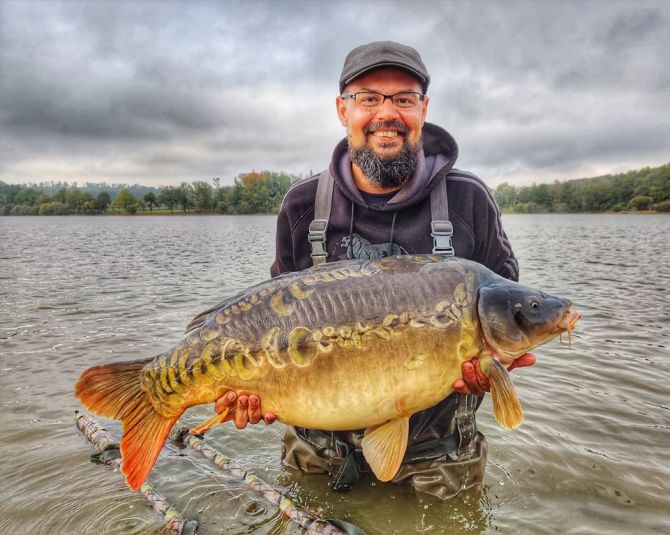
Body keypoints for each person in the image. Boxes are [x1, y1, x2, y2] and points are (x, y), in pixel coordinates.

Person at [218, 41, 534, 500]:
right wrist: (246, 391)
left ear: (423, 110)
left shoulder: (469, 201)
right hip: (316, 447)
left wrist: (495, 365)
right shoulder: (302, 206)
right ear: (342, 110)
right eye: (368, 98)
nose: (386, 113)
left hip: (439, 454)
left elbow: (507, 315)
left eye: (403, 98)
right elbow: (271, 329)